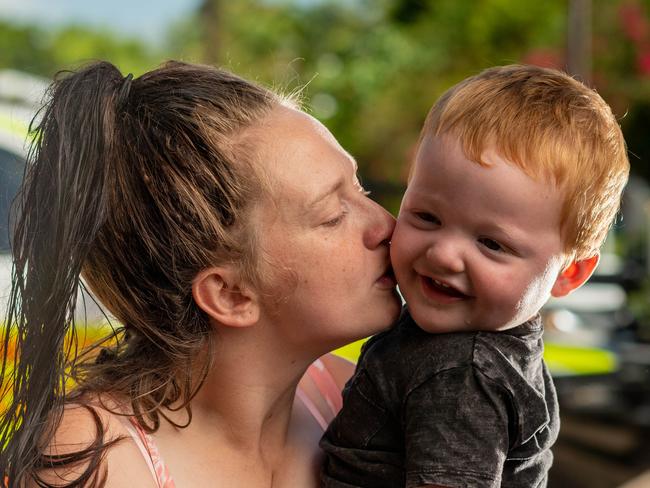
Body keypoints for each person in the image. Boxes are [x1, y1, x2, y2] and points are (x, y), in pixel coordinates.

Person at [0, 60, 402, 487]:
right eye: (332, 216)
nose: (386, 225)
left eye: (360, 189)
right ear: (229, 294)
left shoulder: (350, 399)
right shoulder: (89, 463)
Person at [321, 64, 630, 487]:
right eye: (426, 217)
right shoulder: (494, 345)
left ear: (569, 273)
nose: (444, 254)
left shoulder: (460, 375)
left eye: (492, 244)